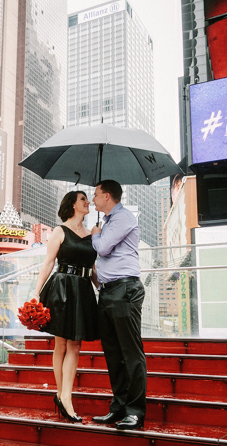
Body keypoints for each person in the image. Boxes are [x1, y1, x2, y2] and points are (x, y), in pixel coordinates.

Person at [31, 190, 97, 423]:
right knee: (61, 344)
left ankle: (63, 396)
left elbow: (95, 270)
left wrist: (103, 288)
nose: (88, 202)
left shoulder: (92, 234)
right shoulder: (59, 231)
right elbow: (48, 263)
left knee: (75, 344)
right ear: (72, 204)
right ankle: (64, 396)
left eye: (88, 199)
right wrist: (36, 293)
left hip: (83, 289)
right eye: (83, 199)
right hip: (61, 288)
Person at [90, 180, 146, 430]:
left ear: (108, 196)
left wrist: (95, 234)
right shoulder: (109, 220)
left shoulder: (123, 217)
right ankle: (119, 408)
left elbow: (102, 248)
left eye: (96, 194)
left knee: (130, 353)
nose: (93, 199)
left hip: (125, 289)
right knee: (113, 353)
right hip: (108, 291)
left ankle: (135, 411)